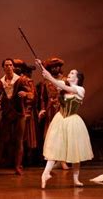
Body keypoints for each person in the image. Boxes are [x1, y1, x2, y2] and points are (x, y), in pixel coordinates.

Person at [35, 59, 93, 189]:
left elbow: (64, 87)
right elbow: (53, 81)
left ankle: (76, 179)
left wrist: (50, 78)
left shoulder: (80, 89)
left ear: (77, 78)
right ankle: (45, 174)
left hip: (73, 121)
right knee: (54, 146)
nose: (70, 74)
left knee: (75, 151)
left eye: (73, 73)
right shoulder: (64, 84)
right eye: (70, 73)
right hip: (60, 119)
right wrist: (41, 66)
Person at [0, 58, 31, 175]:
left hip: (19, 113)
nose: (8, 67)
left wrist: (26, 94)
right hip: (7, 114)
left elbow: (31, 94)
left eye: (10, 65)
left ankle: (17, 166)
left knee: (19, 140)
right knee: (1, 139)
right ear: (3, 67)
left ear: (13, 67)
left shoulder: (21, 80)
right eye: (6, 65)